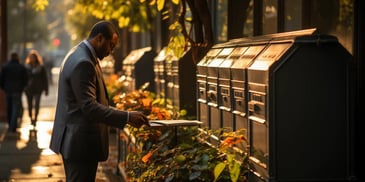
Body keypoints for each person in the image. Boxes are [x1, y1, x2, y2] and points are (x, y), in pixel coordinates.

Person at [49, 21, 150, 182]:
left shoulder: (79, 53)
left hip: (76, 142)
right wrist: (127, 117)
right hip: (80, 144)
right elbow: (90, 107)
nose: (111, 51)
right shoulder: (84, 62)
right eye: (111, 45)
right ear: (100, 38)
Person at [0, 52, 28, 132]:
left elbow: (1, 79)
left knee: (9, 108)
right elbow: (25, 79)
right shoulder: (21, 67)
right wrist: (22, 88)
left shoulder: (5, 67)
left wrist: (4, 88)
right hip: (17, 90)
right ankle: (13, 125)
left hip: (8, 90)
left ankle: (10, 124)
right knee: (15, 108)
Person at [24, 49, 49, 128]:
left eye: (33, 57)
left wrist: (46, 89)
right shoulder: (26, 67)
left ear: (36, 58)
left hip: (38, 89)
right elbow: (23, 78)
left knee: (37, 105)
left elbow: (45, 79)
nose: (32, 59)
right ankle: (31, 117)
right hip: (29, 89)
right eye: (30, 57)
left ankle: (36, 119)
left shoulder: (41, 67)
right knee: (30, 105)